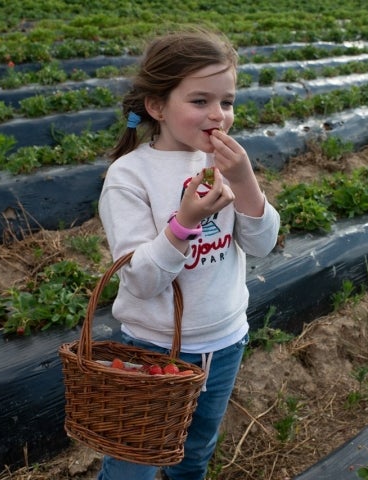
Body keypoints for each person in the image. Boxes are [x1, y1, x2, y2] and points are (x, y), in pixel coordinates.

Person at [96, 27, 280, 480]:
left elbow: (262, 244)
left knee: (195, 450)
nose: (218, 115)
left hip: (224, 341)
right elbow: (139, 279)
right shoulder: (129, 176)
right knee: (133, 459)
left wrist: (245, 180)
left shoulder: (222, 163)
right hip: (153, 348)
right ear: (157, 106)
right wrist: (184, 223)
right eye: (200, 101)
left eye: (228, 101)